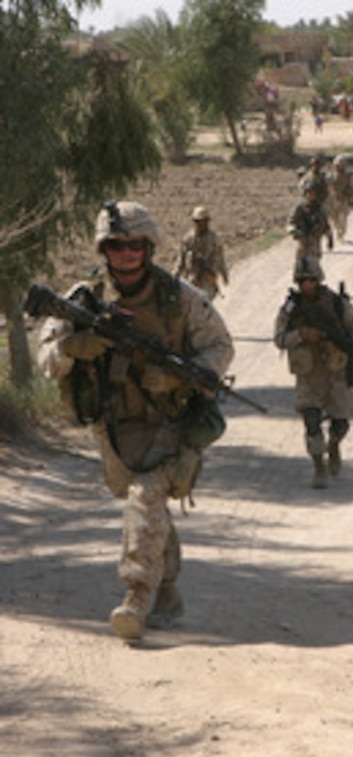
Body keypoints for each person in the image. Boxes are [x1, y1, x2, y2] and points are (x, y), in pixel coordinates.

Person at [37, 201, 234, 642]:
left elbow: (220, 347)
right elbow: (46, 358)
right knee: (142, 503)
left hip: (171, 422)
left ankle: (136, 597)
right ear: (103, 249)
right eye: (116, 245)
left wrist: (177, 374)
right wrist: (71, 350)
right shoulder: (83, 299)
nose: (126, 253)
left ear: (148, 247)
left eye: (134, 245)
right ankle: (166, 590)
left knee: (145, 499)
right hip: (112, 426)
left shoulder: (178, 297)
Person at [273, 256, 353, 489]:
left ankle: (333, 445)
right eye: (303, 281)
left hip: (335, 372)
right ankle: (319, 467)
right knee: (311, 421)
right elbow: (279, 339)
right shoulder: (291, 308)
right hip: (308, 375)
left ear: (319, 280)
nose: (307, 285)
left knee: (341, 424)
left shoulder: (336, 303)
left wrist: (340, 343)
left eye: (312, 280)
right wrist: (302, 334)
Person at [173, 205, 229, 300]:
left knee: (205, 304)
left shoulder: (213, 239)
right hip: (192, 278)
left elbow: (220, 258)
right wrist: (174, 277)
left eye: (203, 221)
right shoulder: (188, 239)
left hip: (208, 278)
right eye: (198, 221)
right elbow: (181, 260)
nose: (201, 224)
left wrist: (224, 275)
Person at [288, 179, 334, 260]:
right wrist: (294, 231)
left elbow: (326, 226)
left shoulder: (320, 209)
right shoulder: (299, 208)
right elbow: (291, 222)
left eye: (313, 193)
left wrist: (330, 239)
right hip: (303, 243)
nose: (311, 195)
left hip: (315, 244)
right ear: (305, 194)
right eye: (309, 193)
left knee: (314, 268)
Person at [327, 154, 353, 241]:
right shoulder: (331, 175)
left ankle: (341, 234)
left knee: (343, 217)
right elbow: (328, 186)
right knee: (334, 218)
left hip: (344, 199)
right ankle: (338, 231)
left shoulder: (348, 176)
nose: (340, 166)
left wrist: (352, 197)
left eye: (342, 164)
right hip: (333, 199)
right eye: (338, 165)